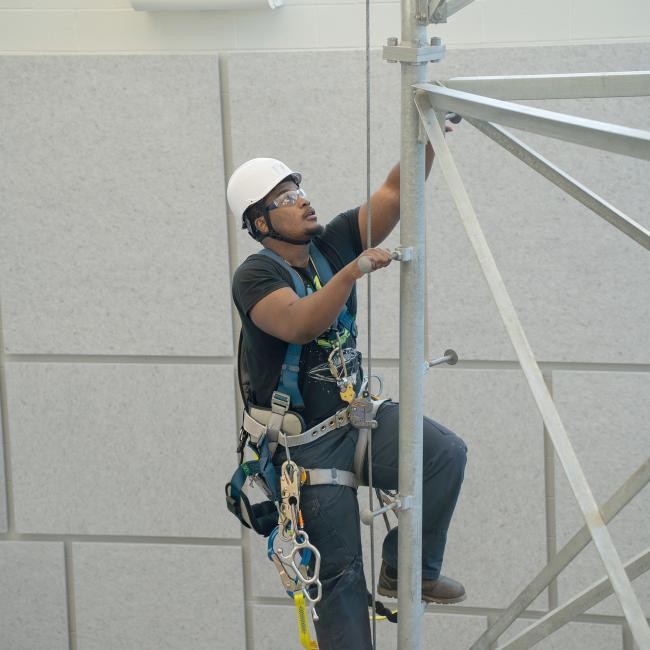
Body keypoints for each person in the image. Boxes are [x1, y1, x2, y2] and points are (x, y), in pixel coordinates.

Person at [228, 149, 467, 650]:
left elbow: (395, 194)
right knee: (339, 580)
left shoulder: (331, 242)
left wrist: (424, 136)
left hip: (354, 421)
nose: (303, 201)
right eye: (286, 198)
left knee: (442, 454)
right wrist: (351, 273)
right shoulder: (256, 276)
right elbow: (299, 322)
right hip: (305, 449)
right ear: (260, 222)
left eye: (299, 190)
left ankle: (407, 572)